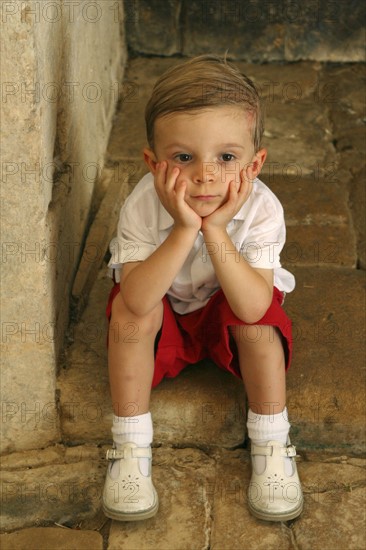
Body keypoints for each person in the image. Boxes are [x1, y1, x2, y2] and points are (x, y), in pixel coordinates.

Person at [102, 55, 303, 523]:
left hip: (227, 307)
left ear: (254, 165)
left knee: (260, 326)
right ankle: (129, 447)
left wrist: (216, 231)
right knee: (129, 317)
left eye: (226, 158)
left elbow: (252, 305)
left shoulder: (263, 210)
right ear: (154, 162)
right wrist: (183, 229)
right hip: (163, 309)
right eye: (184, 157)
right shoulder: (142, 205)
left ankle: (272, 441)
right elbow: (136, 298)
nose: (206, 175)